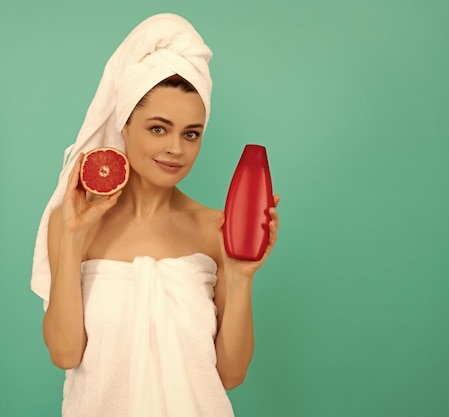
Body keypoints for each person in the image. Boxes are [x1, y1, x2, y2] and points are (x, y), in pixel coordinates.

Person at [31, 13, 280, 417]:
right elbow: (64, 352)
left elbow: (231, 375)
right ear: (124, 125)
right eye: (158, 129)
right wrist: (74, 237)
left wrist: (240, 276)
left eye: (191, 133)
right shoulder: (73, 220)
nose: (176, 149)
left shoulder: (212, 228)